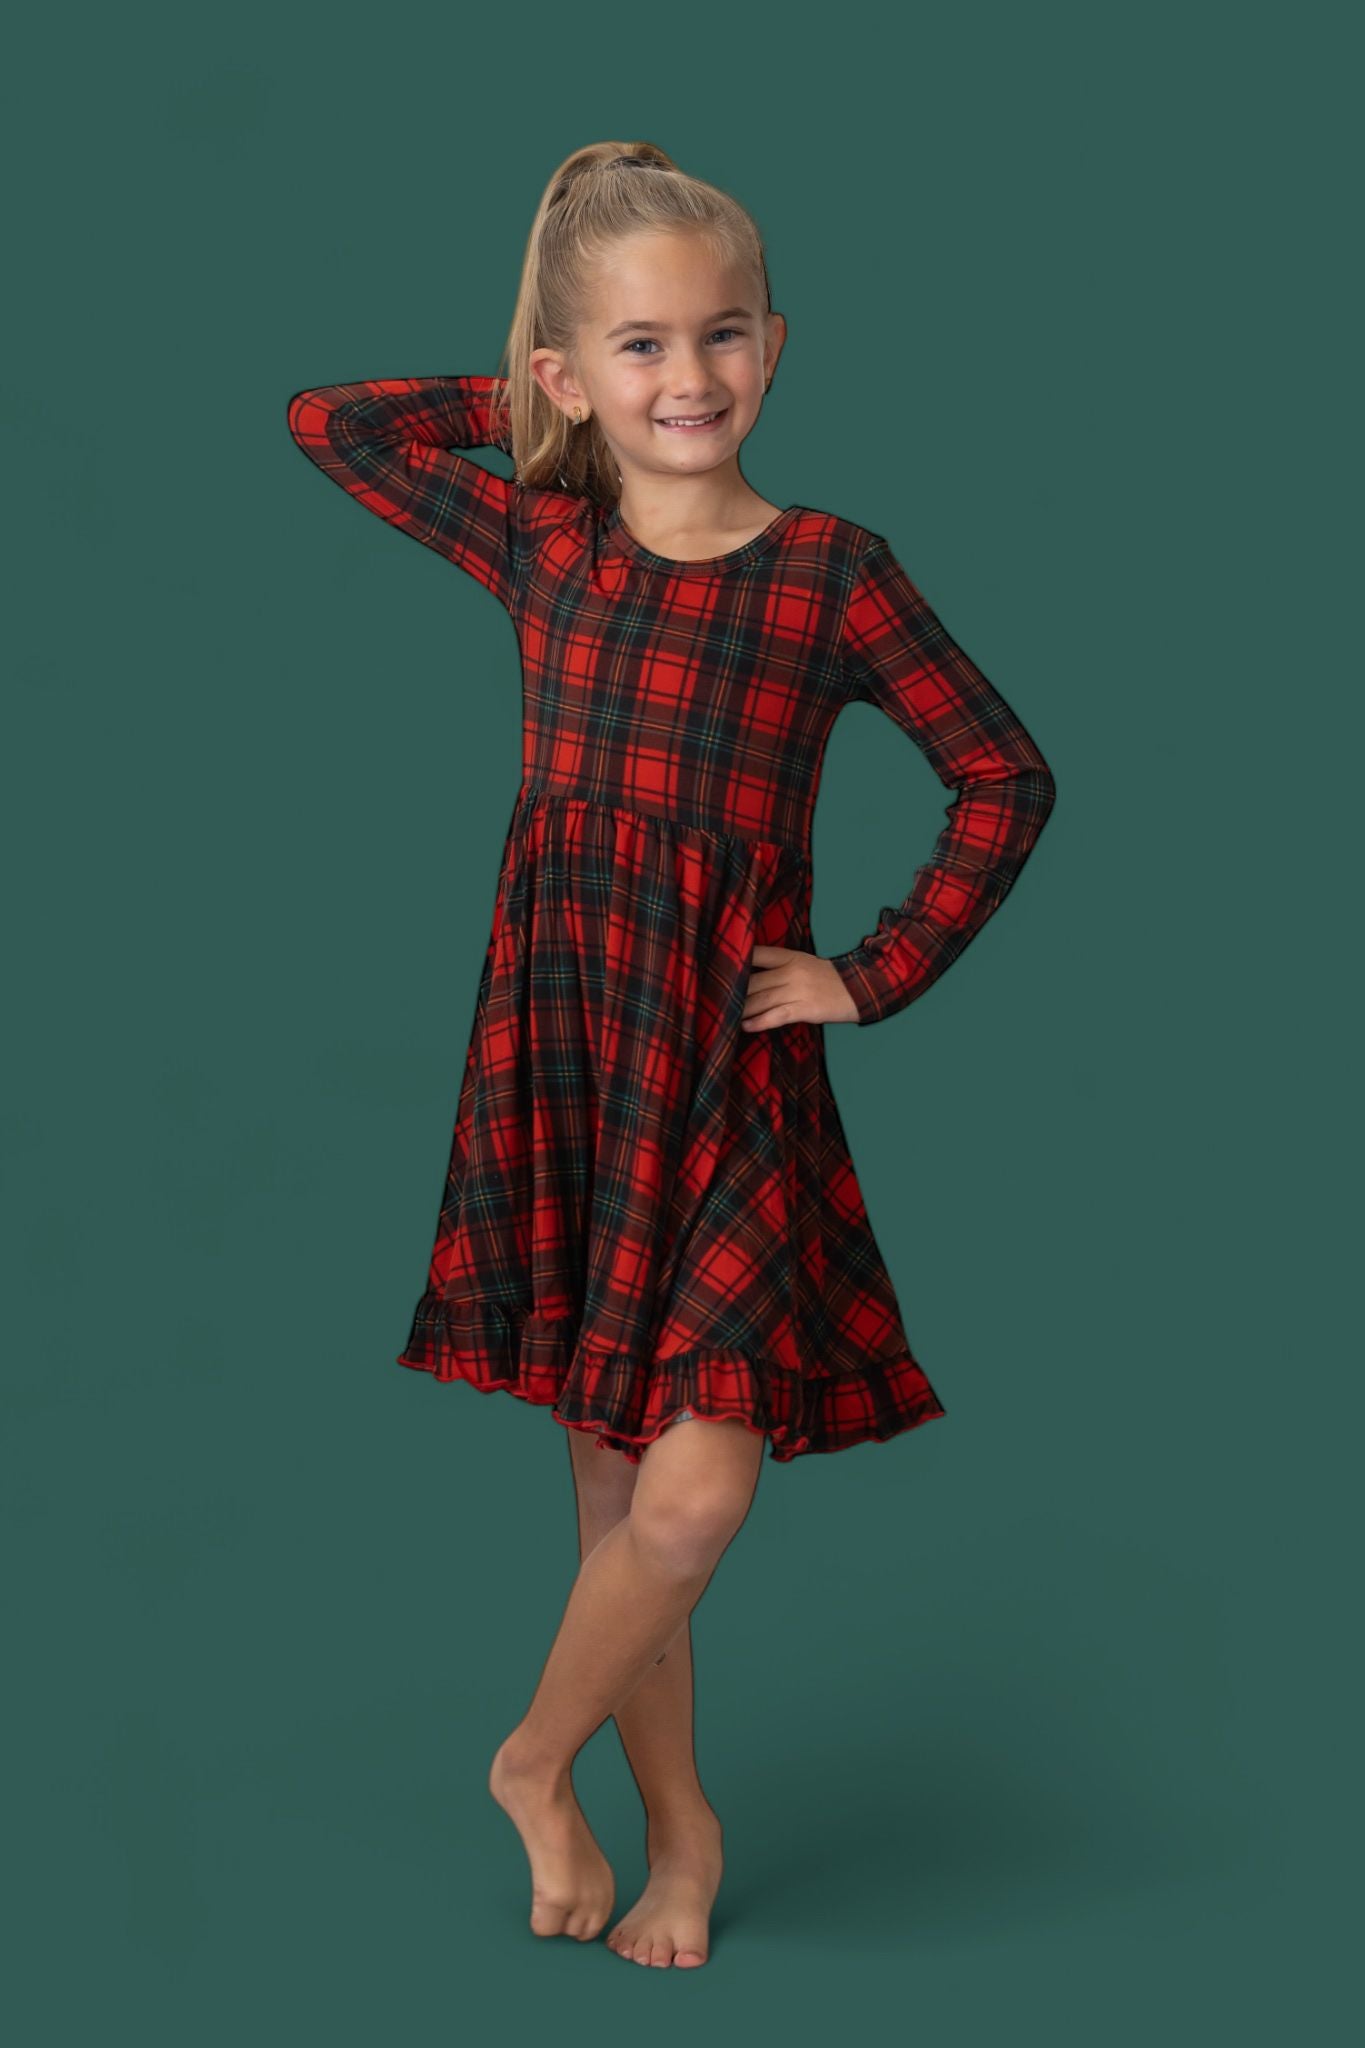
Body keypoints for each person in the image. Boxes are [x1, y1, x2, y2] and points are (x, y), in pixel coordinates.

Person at [286, 140, 1057, 1969]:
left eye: (720, 335)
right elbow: (332, 423)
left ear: (773, 346)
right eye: (637, 346)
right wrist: (535, 387)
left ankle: (527, 1759)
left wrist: (872, 973)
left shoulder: (831, 573)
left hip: (725, 1069)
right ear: (567, 374)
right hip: (566, 1052)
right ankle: (683, 1836)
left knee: (696, 1494)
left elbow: (1001, 774)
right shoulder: (540, 539)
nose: (687, 377)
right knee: (617, 1499)